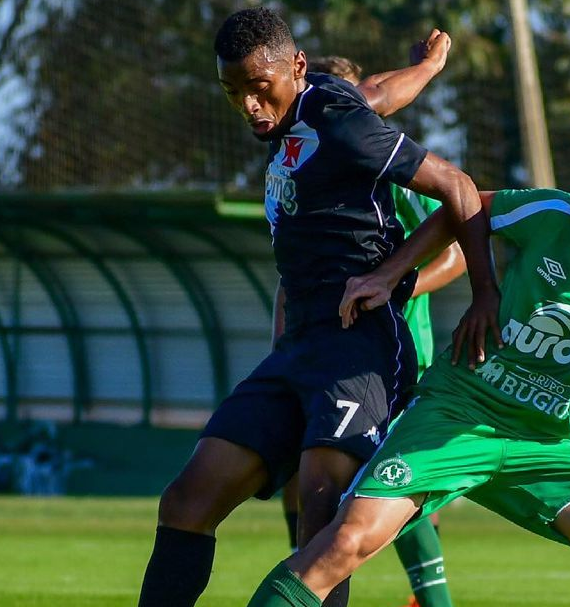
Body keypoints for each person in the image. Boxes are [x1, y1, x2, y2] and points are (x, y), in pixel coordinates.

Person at [241, 122, 570, 607]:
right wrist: (394, 274)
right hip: (454, 413)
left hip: (541, 442)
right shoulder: (555, 215)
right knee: (345, 542)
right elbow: (462, 207)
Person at [136, 7, 498, 607]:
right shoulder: (317, 103)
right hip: (299, 347)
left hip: (359, 345)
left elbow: (459, 188)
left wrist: (481, 292)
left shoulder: (336, 123)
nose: (249, 104)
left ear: (295, 67)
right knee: (185, 502)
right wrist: (428, 67)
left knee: (320, 518)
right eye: (233, 91)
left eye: (259, 86)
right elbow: (378, 91)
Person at [276, 50, 466, 607]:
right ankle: (305, 575)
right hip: (323, 350)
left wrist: (392, 284)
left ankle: (432, 601)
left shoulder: (388, 171)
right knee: (317, 481)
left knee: (389, 478)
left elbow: (452, 251)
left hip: (393, 347)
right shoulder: (301, 159)